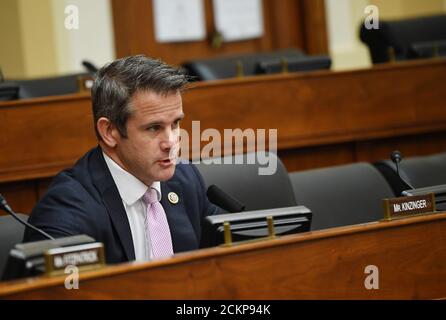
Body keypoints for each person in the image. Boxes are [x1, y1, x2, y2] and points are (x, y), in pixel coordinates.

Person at [23, 55, 220, 263]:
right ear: (109, 132)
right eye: (154, 128)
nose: (171, 142)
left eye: (176, 124)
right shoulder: (68, 209)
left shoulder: (184, 179)